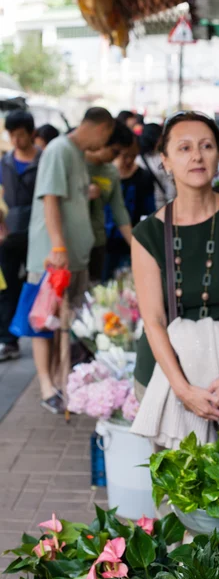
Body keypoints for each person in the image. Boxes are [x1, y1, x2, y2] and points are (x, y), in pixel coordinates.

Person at [131, 111, 219, 435]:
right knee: (181, 481)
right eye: (184, 148)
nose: (196, 155)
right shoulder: (146, 234)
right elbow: (153, 319)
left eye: (206, 146)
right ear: (165, 160)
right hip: (166, 377)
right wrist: (183, 390)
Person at [27, 107, 116, 414]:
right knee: (44, 321)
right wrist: (59, 247)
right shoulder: (59, 150)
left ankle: (59, 380)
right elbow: (50, 198)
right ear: (102, 129)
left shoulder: (78, 154)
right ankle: (46, 386)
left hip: (74, 257)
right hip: (53, 258)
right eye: (107, 136)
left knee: (63, 322)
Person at [0, 110, 41, 361]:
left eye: (20, 135)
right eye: (11, 135)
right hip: (9, 235)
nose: (15, 140)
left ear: (31, 134)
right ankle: (8, 340)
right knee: (6, 288)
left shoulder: (44, 160)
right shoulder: (4, 163)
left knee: (38, 285)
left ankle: (41, 340)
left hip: (38, 234)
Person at [86, 120, 134, 282]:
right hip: (73, 242)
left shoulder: (111, 172)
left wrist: (135, 247)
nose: (116, 157)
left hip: (97, 241)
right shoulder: (76, 162)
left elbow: (119, 211)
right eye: (115, 151)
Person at [104, 139, 155, 280]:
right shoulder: (107, 173)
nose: (128, 160)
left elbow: (149, 210)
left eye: (133, 156)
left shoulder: (143, 176)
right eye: (124, 156)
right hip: (106, 241)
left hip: (133, 238)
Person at [136, 123, 176, 210]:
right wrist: (171, 202)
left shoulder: (137, 159)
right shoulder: (160, 158)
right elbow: (169, 182)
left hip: (146, 206)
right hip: (162, 205)